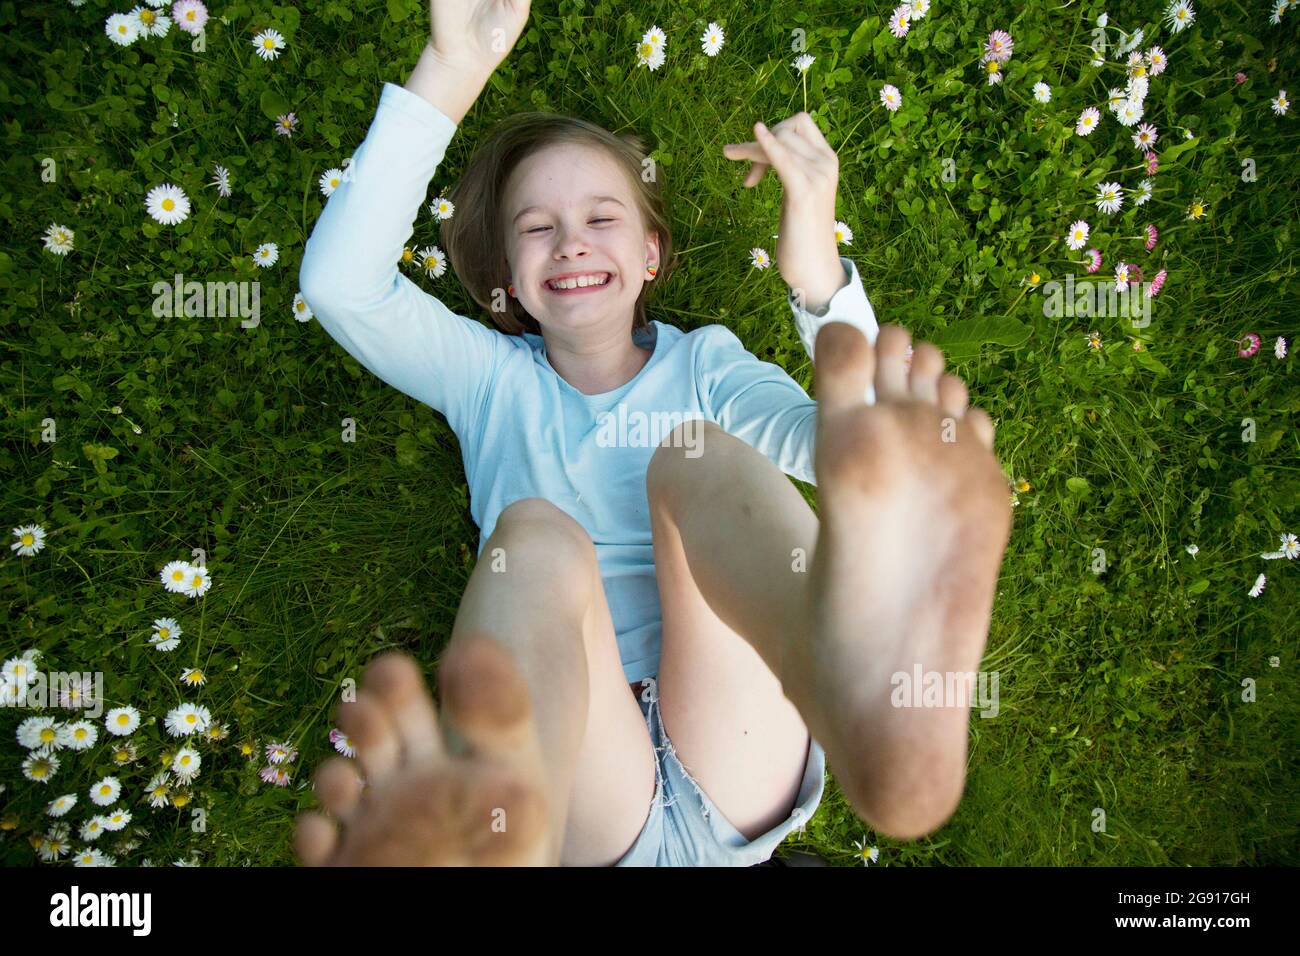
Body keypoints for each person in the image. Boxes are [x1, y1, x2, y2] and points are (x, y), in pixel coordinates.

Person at [293, 0, 1012, 867]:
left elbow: (830, 442)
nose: (569, 243)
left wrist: (818, 268)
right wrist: (451, 71)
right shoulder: (485, 380)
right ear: (510, 284)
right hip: (582, 772)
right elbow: (343, 287)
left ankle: (851, 680)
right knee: (538, 537)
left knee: (697, 455)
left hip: (740, 718)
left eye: (601, 219)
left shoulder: (707, 367)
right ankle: (497, 813)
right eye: (535, 229)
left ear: (651, 255)